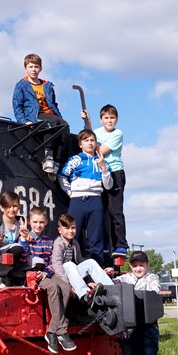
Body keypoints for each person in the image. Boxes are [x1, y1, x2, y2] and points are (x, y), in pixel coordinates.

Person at [19, 207, 76, 353]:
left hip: (46, 273)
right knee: (52, 287)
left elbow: (52, 262)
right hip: (33, 276)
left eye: (41, 222)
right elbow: (23, 259)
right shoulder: (26, 239)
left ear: (46, 223)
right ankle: (61, 331)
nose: (38, 225)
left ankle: (51, 331)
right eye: (35, 222)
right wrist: (23, 239)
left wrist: (46, 272)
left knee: (66, 287)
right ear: (30, 222)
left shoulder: (48, 241)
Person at [114, 250, 164, 355]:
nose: (138, 268)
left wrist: (129, 294)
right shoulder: (125, 278)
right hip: (129, 331)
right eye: (135, 265)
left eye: (141, 265)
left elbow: (153, 292)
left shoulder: (152, 278)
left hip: (147, 329)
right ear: (130, 266)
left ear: (147, 266)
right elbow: (111, 284)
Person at [57, 129, 112, 266]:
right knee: (71, 236)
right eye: (86, 140)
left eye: (92, 140)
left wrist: (103, 167)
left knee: (96, 238)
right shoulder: (75, 160)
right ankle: (69, 267)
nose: (90, 143)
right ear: (80, 144)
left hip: (95, 200)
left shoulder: (102, 161)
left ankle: (97, 269)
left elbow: (109, 185)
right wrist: (70, 192)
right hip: (77, 200)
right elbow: (62, 176)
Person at [11, 53, 68, 174]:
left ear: (40, 68)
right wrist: (23, 121)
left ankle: (57, 163)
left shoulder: (47, 85)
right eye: (31, 67)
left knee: (64, 126)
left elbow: (53, 104)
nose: (34, 69)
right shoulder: (21, 85)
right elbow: (17, 105)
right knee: (51, 123)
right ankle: (48, 158)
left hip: (51, 114)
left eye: (36, 67)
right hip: (34, 115)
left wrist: (60, 118)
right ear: (25, 69)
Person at [51, 214, 114, 307]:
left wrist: (88, 280)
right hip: (62, 275)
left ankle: (112, 289)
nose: (70, 231)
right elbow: (56, 264)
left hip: (73, 273)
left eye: (73, 228)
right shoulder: (58, 242)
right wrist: (69, 284)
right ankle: (85, 294)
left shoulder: (75, 243)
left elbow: (80, 262)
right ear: (60, 230)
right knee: (69, 264)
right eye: (67, 228)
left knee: (90, 262)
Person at [94, 104, 128, 257]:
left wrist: (94, 147)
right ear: (101, 120)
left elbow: (101, 151)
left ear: (116, 120)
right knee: (102, 210)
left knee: (115, 210)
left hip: (115, 172)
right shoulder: (96, 132)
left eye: (112, 118)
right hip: (99, 173)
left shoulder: (117, 134)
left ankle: (120, 244)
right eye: (106, 118)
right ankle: (106, 242)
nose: (109, 121)